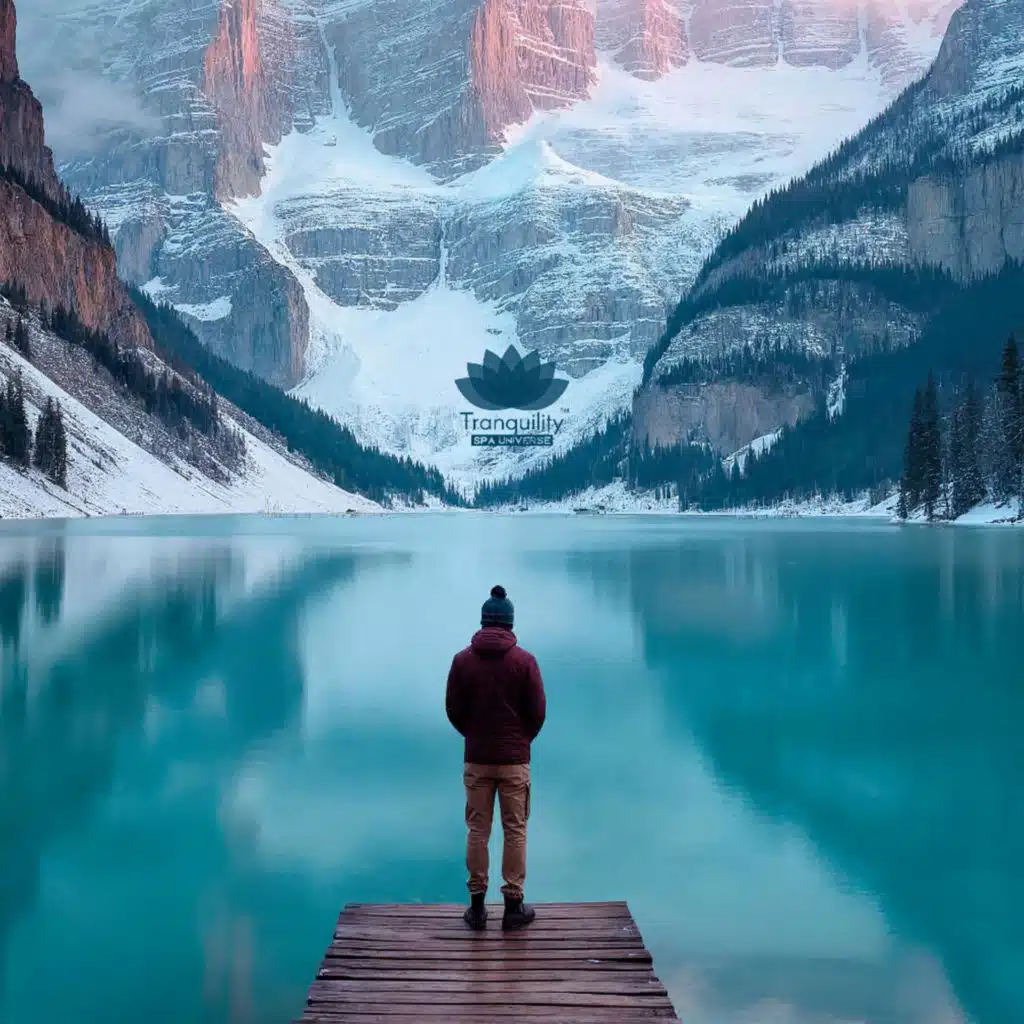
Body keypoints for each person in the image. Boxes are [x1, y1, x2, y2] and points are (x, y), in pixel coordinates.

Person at [445, 585, 547, 932]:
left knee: (477, 829)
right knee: (515, 830)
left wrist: (473, 736)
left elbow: (454, 710)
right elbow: (537, 712)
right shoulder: (525, 661)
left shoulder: (462, 661)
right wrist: (521, 740)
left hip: (477, 759)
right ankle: (513, 906)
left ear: (483, 622)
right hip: (514, 759)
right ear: (510, 624)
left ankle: (476, 908)